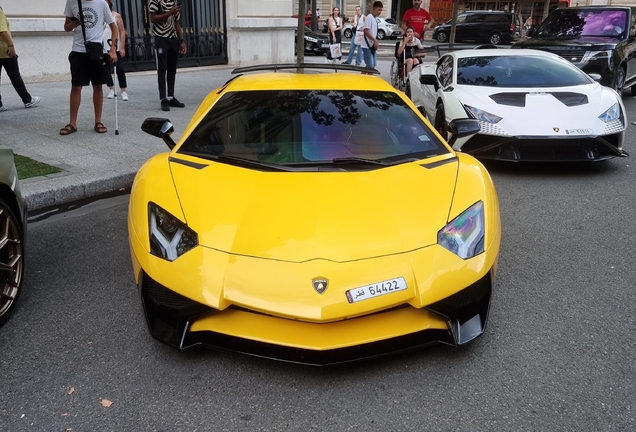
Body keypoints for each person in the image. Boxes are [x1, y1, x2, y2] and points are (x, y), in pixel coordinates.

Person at [61, 0, 117, 135]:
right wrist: (72, 25)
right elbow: (66, 27)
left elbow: (114, 27)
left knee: (97, 86)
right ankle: (72, 123)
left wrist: (113, 49)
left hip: (96, 49)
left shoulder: (102, 3)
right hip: (78, 50)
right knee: (76, 86)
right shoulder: (72, 2)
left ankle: (98, 121)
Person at [148, 0, 187, 112]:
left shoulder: (173, 1)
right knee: (162, 69)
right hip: (161, 38)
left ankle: (171, 97)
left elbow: (176, 23)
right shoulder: (154, 1)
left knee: (172, 69)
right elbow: (153, 18)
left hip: (173, 39)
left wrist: (182, 40)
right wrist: (170, 12)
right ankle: (163, 98)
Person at [0, 6, 40, 112]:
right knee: (15, 76)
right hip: (4, 50)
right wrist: (10, 45)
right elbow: (2, 30)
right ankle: (27, 99)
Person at [103, 0, 129, 101]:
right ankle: (111, 89)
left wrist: (122, 47)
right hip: (105, 47)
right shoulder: (101, 17)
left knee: (120, 69)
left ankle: (123, 90)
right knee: (106, 70)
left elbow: (122, 32)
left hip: (116, 47)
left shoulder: (116, 16)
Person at [361, 1, 383, 72]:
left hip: (371, 45)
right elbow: (366, 30)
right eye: (379, 10)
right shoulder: (369, 17)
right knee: (370, 65)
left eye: (381, 10)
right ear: (374, 8)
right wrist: (374, 40)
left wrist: (375, 41)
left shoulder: (375, 19)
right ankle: (362, 78)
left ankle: (367, 79)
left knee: (372, 65)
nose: (380, 12)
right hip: (367, 45)